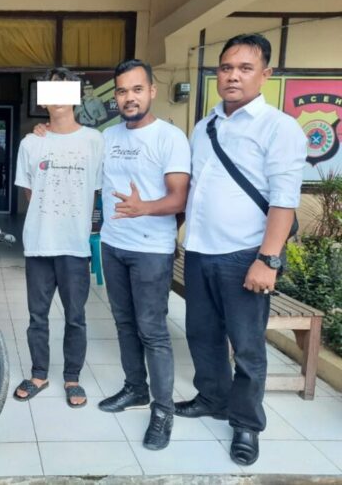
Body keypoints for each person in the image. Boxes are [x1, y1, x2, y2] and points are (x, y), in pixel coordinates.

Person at [176, 34, 306, 465]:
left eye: (245, 68)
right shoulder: (205, 126)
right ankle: (212, 398)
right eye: (226, 67)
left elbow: (284, 200)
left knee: (247, 346)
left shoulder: (279, 127)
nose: (233, 76)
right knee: (202, 334)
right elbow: (195, 187)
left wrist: (267, 260)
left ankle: (246, 424)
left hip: (245, 255)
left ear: (265, 74)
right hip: (199, 251)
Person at [94, 59, 190, 451]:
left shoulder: (170, 138)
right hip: (113, 244)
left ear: (151, 91)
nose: (128, 97)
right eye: (122, 91)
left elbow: (179, 198)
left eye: (136, 89)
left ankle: (163, 411)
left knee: (152, 331)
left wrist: (143, 208)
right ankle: (135, 387)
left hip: (151, 249)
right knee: (123, 322)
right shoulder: (108, 136)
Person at [13, 67, 103, 408]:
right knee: (37, 316)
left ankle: (72, 378)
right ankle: (39, 374)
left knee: (75, 316)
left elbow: (97, 191)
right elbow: (30, 192)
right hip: (39, 243)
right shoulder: (31, 142)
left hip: (75, 245)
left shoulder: (94, 141)